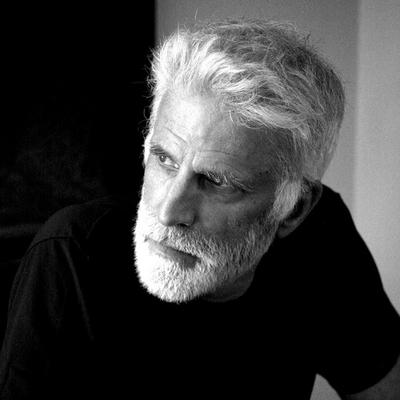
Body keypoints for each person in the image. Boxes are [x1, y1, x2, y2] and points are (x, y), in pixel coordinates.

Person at [1, 18, 399, 399]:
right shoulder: (74, 252)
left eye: (216, 181)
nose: (169, 212)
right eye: (165, 160)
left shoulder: (322, 238)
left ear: (293, 209)